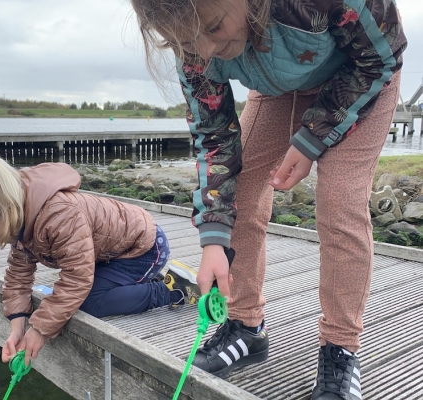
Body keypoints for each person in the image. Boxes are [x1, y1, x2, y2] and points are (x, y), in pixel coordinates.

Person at [129, 0, 407, 398]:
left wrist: (311, 140)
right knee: (237, 193)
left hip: (361, 76)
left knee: (339, 203)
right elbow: (215, 142)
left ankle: (340, 347)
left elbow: (382, 55)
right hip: (277, 90)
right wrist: (212, 240)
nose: (204, 51)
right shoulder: (194, 49)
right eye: (188, 42)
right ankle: (246, 327)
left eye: (213, 27)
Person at [0, 155, 201, 366]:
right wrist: (17, 326)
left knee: (90, 302)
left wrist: (40, 329)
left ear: (2, 212)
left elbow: (77, 278)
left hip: (143, 248)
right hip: (106, 253)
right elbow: (18, 276)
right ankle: (143, 282)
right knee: (73, 297)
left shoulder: (58, 214)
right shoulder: (18, 217)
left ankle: (171, 289)